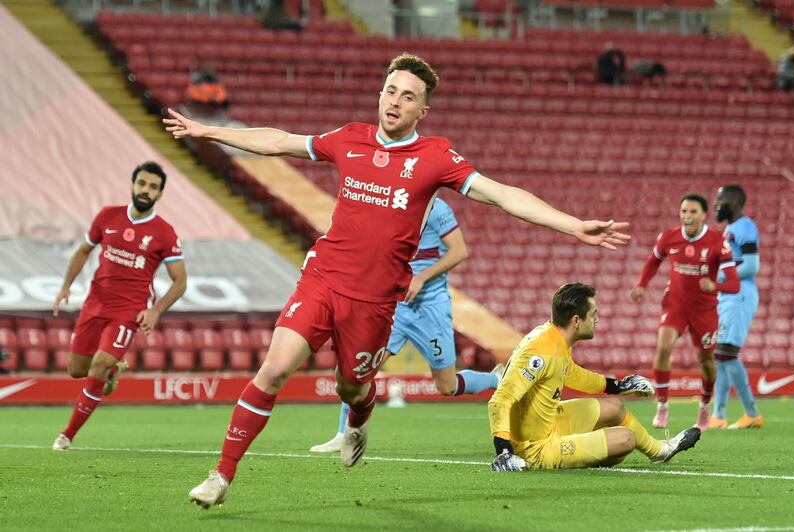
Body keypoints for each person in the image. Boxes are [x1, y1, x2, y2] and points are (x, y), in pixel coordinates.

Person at [163, 52, 630, 508]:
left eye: (408, 97)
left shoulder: (435, 156)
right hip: (324, 278)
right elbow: (280, 140)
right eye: (390, 90)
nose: (394, 101)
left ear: (422, 110)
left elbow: (501, 194)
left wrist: (571, 224)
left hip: (375, 302)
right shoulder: (350, 138)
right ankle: (221, 475)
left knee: (352, 387)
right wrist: (206, 131)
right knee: (275, 368)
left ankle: (358, 420)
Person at [309, 197, 504, 453]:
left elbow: (459, 251)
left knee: (447, 386)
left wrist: (421, 277)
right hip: (395, 307)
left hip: (430, 307)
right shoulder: (391, 202)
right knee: (361, 366)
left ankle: (496, 378)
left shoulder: (436, 208)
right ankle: (343, 434)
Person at [488, 283, 701, 472]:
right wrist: (504, 451)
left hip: (549, 423)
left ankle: (661, 451)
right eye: (593, 314)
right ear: (576, 320)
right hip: (534, 447)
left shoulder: (552, 338)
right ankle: (570, 456)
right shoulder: (542, 352)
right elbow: (500, 400)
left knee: (615, 407)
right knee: (626, 439)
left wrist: (617, 386)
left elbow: (572, 373)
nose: (597, 319)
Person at [51, 162, 187, 451]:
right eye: (142, 183)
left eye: (153, 187)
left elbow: (180, 282)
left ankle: (66, 435)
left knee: (98, 363)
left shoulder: (164, 233)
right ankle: (112, 372)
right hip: (94, 304)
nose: (145, 190)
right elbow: (83, 251)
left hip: (129, 310)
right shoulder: (107, 216)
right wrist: (65, 287)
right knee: (77, 370)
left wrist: (155, 311)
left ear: (160, 194)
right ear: (132, 184)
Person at [629, 193, 739, 431]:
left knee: (706, 360)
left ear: (703, 215)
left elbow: (734, 284)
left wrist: (715, 285)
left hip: (705, 308)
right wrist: (641, 285)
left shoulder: (718, 240)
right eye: (684, 211)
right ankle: (662, 405)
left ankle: (704, 405)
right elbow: (653, 261)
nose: (687, 216)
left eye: (692, 212)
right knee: (663, 347)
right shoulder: (668, 236)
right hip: (675, 303)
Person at [710, 185, 763, 430]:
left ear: (733, 201)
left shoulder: (745, 226)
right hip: (729, 296)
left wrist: (720, 278)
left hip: (740, 295)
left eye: (720, 199)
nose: (717, 204)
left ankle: (752, 412)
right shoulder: (730, 229)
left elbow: (752, 266)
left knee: (726, 354)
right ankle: (718, 416)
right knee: (720, 356)